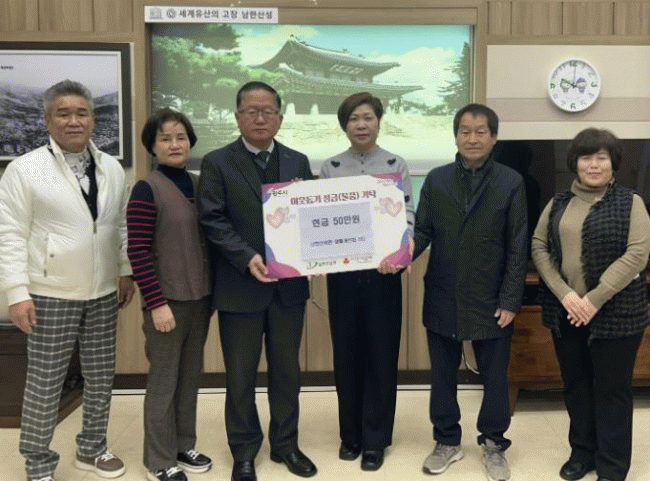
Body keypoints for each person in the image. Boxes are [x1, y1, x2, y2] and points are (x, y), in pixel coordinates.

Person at [0, 80, 135, 481]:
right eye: (64, 113)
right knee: (45, 380)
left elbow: (119, 225)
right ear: (47, 120)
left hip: (103, 291)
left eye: (82, 113)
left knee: (100, 376)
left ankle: (92, 449)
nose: (74, 121)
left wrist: (124, 270)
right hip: (50, 293)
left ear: (93, 119)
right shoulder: (24, 169)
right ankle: (38, 462)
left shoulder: (111, 168)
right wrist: (16, 293)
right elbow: (9, 234)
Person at [197, 81, 316, 481]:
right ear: (238, 117)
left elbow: (309, 219)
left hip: (288, 289)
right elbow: (212, 218)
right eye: (251, 111)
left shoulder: (298, 161)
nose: (260, 118)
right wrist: (246, 256)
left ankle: (286, 445)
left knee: (287, 373)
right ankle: (244, 450)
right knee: (240, 375)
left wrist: (315, 253)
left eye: (268, 111)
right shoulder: (217, 162)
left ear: (280, 118)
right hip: (239, 286)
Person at [413, 104, 527, 481]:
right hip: (443, 291)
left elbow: (518, 245)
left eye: (481, 132)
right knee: (442, 374)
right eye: (465, 131)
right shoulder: (437, 179)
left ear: (494, 138)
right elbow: (422, 231)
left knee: (494, 377)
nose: (472, 138)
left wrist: (510, 299)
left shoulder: (511, 181)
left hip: (491, 295)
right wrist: (399, 255)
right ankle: (446, 440)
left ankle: (494, 443)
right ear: (455, 136)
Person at [532, 128, 650, 481]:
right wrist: (565, 294)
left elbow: (637, 254)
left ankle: (612, 465)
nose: (594, 165)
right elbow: (539, 246)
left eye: (602, 157)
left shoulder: (631, 202)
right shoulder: (558, 203)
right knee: (576, 386)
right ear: (575, 163)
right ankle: (582, 453)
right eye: (586, 157)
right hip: (567, 312)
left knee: (612, 391)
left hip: (618, 314)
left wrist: (594, 299)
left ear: (613, 163)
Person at [319, 92, 414, 471]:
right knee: (346, 355)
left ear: (378, 121)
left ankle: (375, 439)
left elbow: (407, 213)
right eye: (354, 118)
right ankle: (351, 436)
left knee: (381, 355)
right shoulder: (330, 167)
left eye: (368, 117)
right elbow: (320, 222)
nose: (361, 124)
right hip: (342, 277)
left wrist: (403, 249)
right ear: (344, 125)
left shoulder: (395, 164)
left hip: (383, 274)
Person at [127, 108, 213, 481]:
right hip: (167, 302)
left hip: (200, 299)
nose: (174, 144)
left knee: (189, 377)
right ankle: (159, 461)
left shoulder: (199, 183)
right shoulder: (147, 189)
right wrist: (156, 302)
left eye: (180, 137)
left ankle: (182, 445)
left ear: (190, 142)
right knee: (164, 381)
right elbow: (137, 250)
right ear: (152, 146)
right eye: (165, 138)